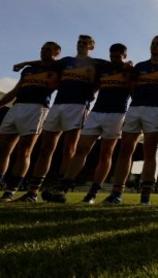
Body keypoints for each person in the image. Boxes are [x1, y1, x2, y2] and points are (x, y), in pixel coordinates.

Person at [0, 42, 61, 203]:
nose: (43, 52)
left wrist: (25, 61)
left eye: (48, 50)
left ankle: (10, 192)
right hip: (16, 107)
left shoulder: (58, 69)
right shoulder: (28, 70)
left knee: (24, 151)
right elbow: (14, 91)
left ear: (57, 53)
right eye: (42, 49)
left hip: (37, 109)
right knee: (1, 150)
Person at [41, 43, 131, 204]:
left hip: (116, 114)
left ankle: (92, 193)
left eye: (118, 56)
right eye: (112, 55)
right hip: (96, 112)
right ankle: (62, 188)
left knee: (106, 153)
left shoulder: (130, 70)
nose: (114, 59)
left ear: (125, 56)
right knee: (81, 149)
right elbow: (94, 81)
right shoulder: (103, 67)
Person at [14, 35, 98, 202]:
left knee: (69, 149)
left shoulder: (96, 63)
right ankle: (32, 192)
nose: (81, 45)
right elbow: (46, 64)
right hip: (58, 104)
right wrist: (25, 63)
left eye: (85, 43)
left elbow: (114, 69)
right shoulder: (65, 61)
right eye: (79, 42)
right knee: (45, 148)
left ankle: (61, 190)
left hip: (78, 106)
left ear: (92, 46)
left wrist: (92, 93)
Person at [102, 36, 158, 205]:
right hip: (135, 109)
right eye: (153, 43)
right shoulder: (140, 66)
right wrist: (139, 99)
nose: (155, 46)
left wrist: (157, 101)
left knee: (149, 153)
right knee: (125, 150)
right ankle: (116, 193)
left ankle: (145, 196)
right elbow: (132, 86)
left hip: (155, 110)